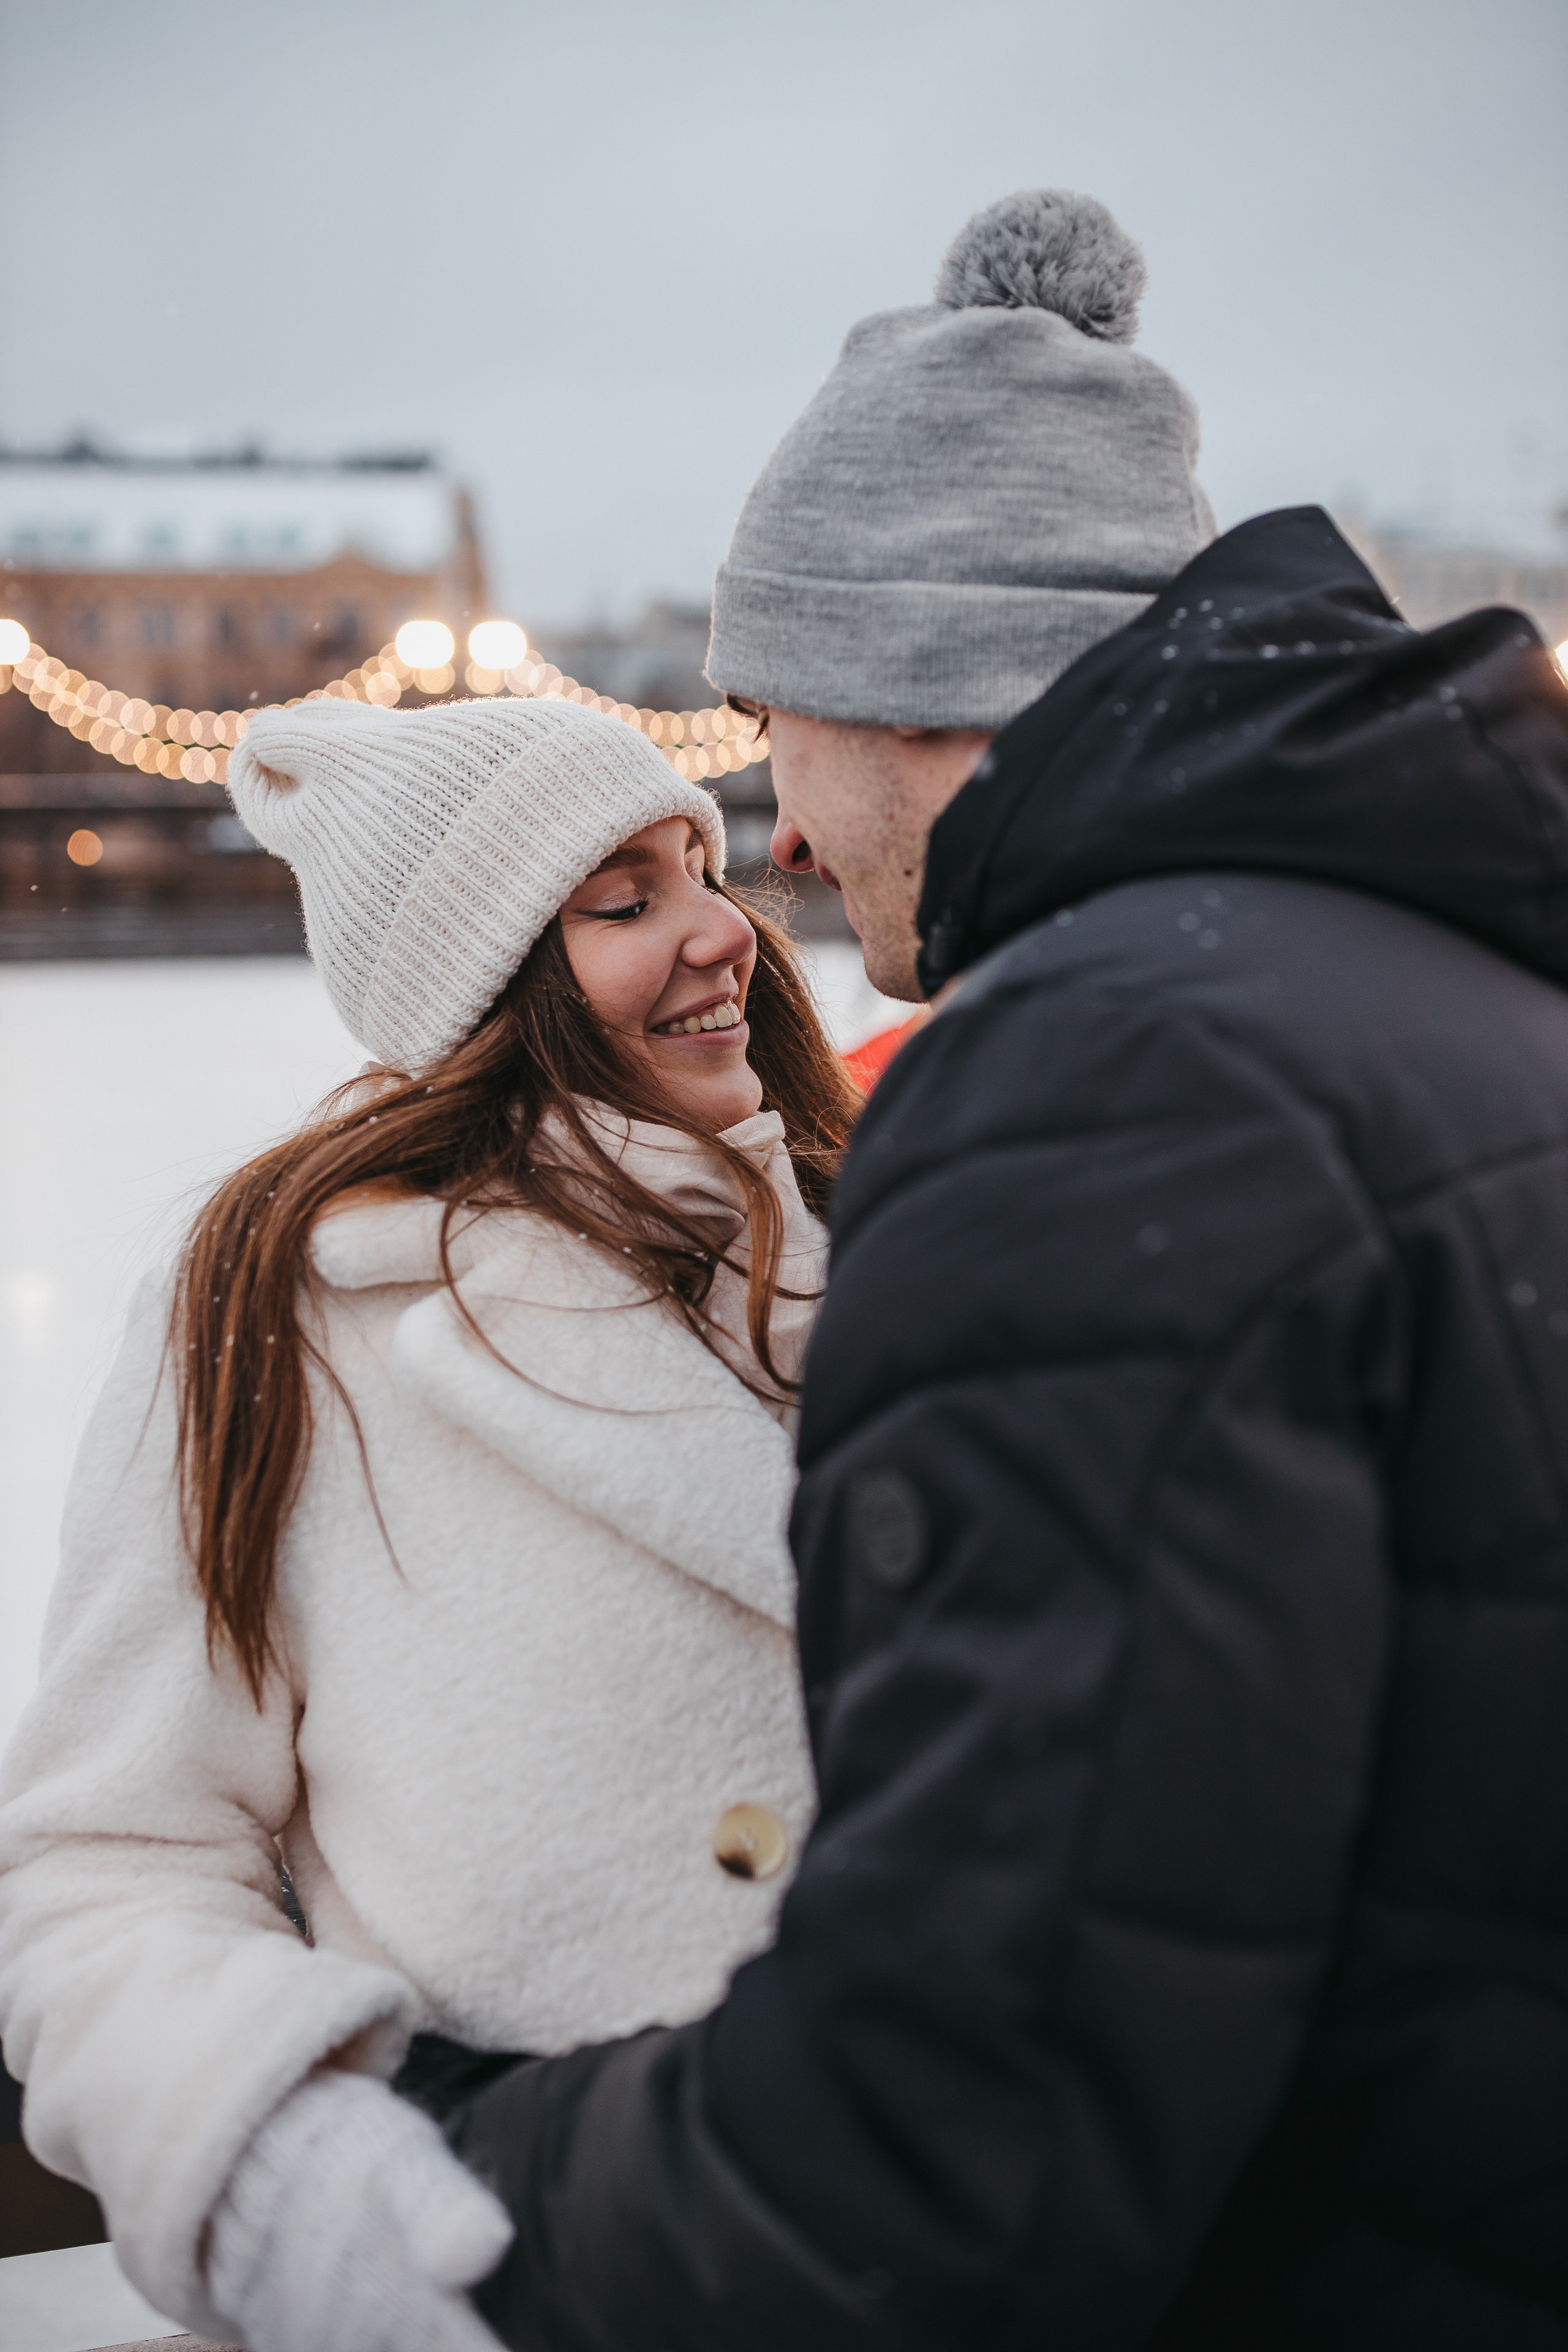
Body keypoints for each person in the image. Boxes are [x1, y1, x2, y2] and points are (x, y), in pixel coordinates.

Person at [428, 192, 1568, 2349]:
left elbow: (962, 2125)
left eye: (773, 725)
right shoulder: (1448, 1000)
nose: (779, 835)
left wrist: (444, 2208)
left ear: (918, 674)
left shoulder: (1113, 1085)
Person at [0, 693, 860, 2350]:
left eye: (701, 864)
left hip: (949, 2217)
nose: (716, 932)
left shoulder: (886, 1228)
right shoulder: (283, 1311)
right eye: (619, 902)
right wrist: (291, 2177)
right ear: (490, 984)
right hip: (531, 2255)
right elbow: (109, 1854)